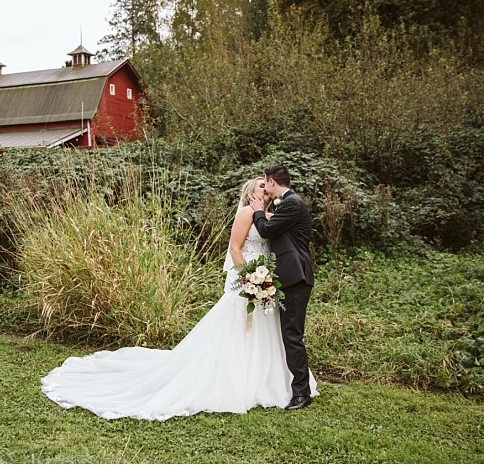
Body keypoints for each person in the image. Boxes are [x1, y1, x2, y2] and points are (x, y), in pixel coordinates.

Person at [41, 177, 318, 421]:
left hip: (266, 281)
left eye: (267, 185)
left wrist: (265, 279)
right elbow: (235, 248)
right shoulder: (247, 213)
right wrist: (247, 278)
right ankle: (234, 382)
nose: (265, 188)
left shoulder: (270, 215)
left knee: (266, 331)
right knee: (238, 330)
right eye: (260, 185)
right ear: (250, 193)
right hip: (248, 279)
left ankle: (267, 382)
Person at [249, 164, 315, 410]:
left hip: (296, 277)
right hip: (289, 276)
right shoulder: (288, 203)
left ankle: (301, 394)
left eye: (266, 184)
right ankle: (298, 388)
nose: (265, 189)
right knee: (289, 334)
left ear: (272, 182)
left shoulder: (291, 203)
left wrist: (257, 210)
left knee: (292, 335)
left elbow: (266, 230)